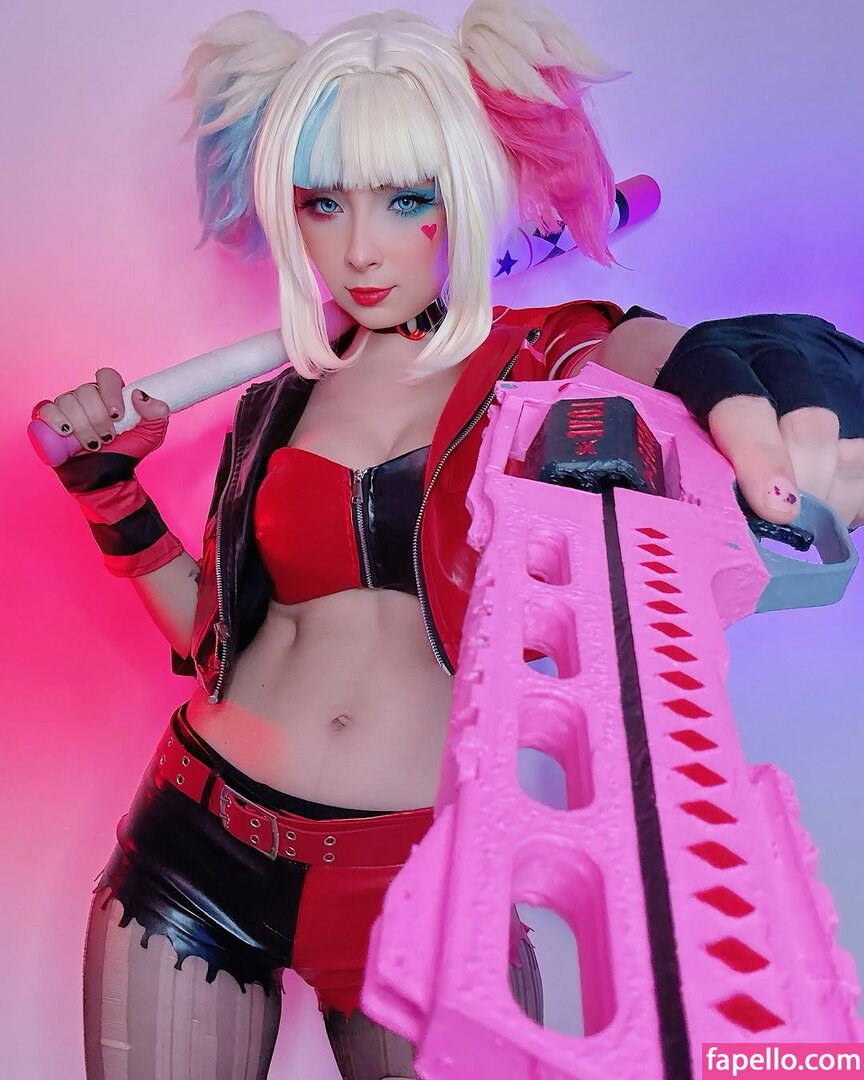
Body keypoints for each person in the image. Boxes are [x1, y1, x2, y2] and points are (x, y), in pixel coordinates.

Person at [31, 3, 864, 1078]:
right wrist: (105, 486)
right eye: (324, 203)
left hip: (421, 878)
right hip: (194, 843)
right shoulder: (277, 405)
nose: (359, 249)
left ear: (464, 195)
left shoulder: (547, 357)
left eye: (406, 199)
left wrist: (772, 360)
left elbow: (662, 355)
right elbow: (210, 639)